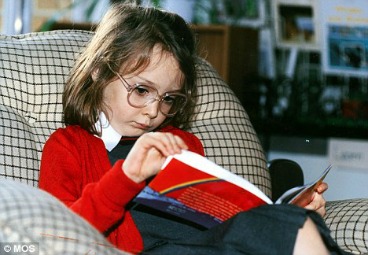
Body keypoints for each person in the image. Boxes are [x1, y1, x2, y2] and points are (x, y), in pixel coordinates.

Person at [39, 3, 348, 255]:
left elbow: (220, 220)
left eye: (168, 98)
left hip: (208, 246)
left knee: (297, 223)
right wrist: (126, 177)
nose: (153, 111)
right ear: (99, 71)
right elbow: (60, 236)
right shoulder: (68, 146)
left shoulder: (182, 142)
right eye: (142, 90)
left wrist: (290, 213)